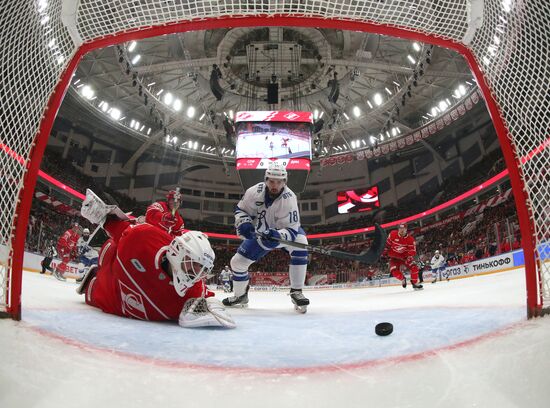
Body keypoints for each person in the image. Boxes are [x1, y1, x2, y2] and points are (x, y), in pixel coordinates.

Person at [77, 189, 235, 328]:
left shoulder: (190, 288)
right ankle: (95, 273)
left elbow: (203, 294)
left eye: (201, 269)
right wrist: (105, 216)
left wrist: (210, 301)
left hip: (112, 289)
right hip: (124, 250)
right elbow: (146, 218)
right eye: (194, 265)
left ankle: (92, 280)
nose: (196, 274)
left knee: (94, 292)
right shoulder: (149, 226)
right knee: (127, 237)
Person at [222, 162, 310, 313]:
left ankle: (296, 291)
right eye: (271, 181)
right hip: (261, 234)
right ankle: (240, 296)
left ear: (284, 182)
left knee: (301, 242)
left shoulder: (290, 199)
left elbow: (292, 230)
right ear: (266, 179)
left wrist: (277, 235)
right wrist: (244, 223)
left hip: (282, 234)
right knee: (237, 263)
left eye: (279, 181)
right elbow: (241, 210)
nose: (274, 185)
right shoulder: (254, 191)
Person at [385, 223, 423, 290]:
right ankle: (403, 279)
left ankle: (415, 283)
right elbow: (387, 245)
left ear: (406, 229)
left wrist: (408, 256)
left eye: (403, 229)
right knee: (394, 272)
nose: (402, 230)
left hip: (405, 257)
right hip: (394, 258)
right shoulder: (393, 234)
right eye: (400, 228)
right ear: (398, 229)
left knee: (414, 268)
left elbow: (413, 251)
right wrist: (385, 251)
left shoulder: (410, 239)